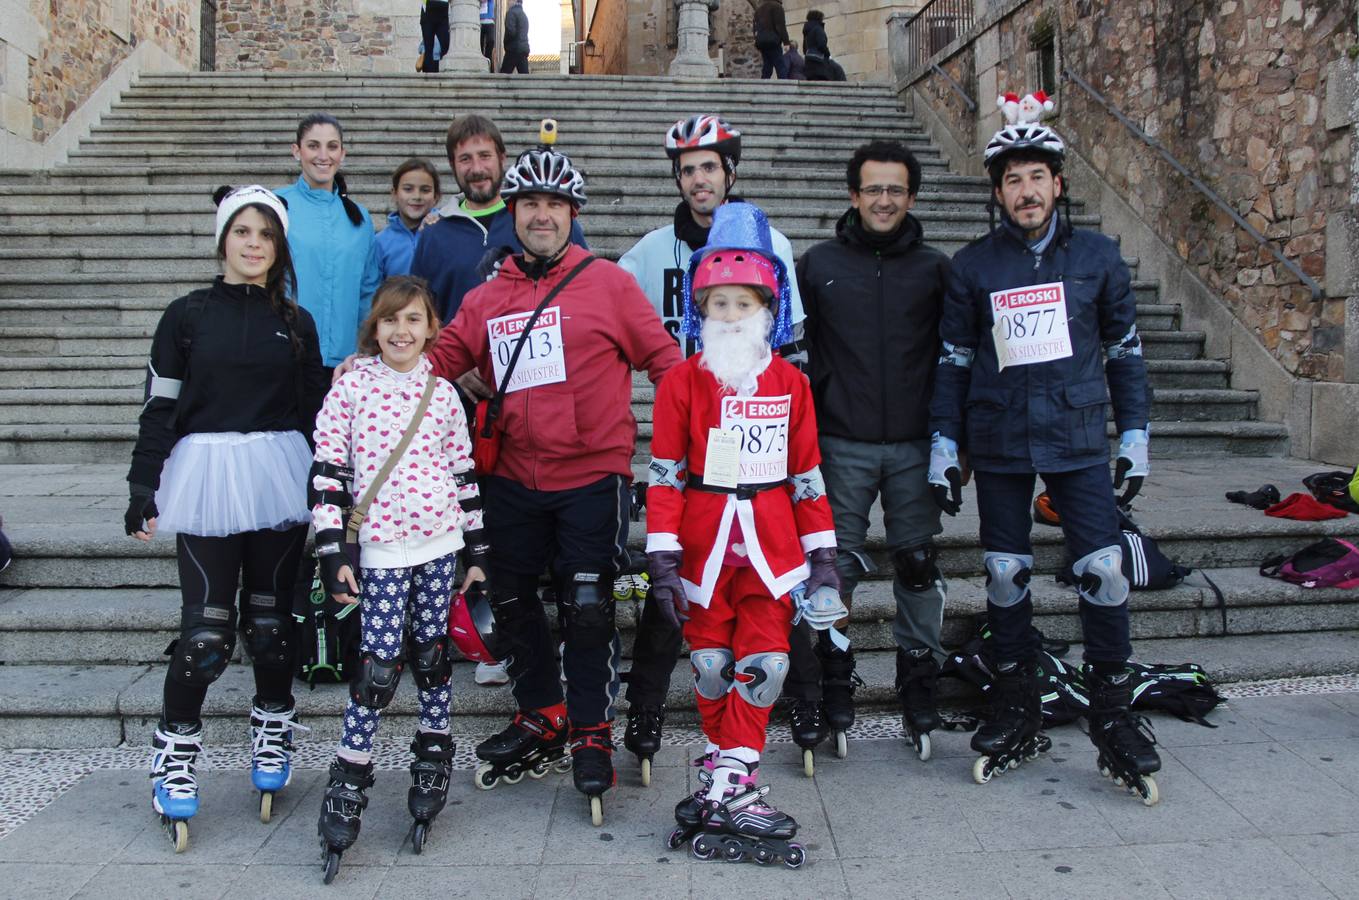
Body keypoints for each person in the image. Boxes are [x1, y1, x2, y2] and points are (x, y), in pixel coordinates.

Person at [426, 143, 682, 825]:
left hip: (590, 475)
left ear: (573, 214)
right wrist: (365, 384)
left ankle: (593, 729)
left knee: (588, 603)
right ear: (513, 214)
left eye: (555, 205)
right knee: (509, 601)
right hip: (510, 475)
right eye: (530, 205)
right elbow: (431, 361)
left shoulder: (609, 285)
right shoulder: (486, 298)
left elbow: (666, 364)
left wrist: (690, 448)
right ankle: (544, 711)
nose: (542, 216)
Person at [929, 111, 1161, 803]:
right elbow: (952, 359)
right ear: (996, 193)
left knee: (1104, 570)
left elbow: (1124, 351)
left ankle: (1113, 717)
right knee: (1004, 572)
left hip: (1076, 434)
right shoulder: (972, 266)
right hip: (999, 435)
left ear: (1057, 184)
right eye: (1011, 180)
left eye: (1035, 177)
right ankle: (1016, 702)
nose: (1024, 190)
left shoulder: (1097, 258)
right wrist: (944, 439)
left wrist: (1136, 434)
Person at [125, 185, 329, 852]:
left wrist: (331, 490)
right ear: (223, 240)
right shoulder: (185, 317)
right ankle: (176, 754)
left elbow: (313, 413)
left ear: (278, 247)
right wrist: (142, 486)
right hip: (207, 475)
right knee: (205, 637)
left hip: (277, 473)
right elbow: (159, 407)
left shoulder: (296, 322)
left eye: (264, 234)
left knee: (270, 630)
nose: (252, 243)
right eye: (241, 231)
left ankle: (272, 726)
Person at [616, 113, 806, 775]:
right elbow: (605, 315)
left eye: (709, 167)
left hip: (756, 439)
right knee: (673, 609)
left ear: (729, 172)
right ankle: (642, 717)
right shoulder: (645, 252)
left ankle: (795, 712)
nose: (699, 179)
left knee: (774, 599)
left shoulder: (770, 243)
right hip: (688, 433)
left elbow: (793, 345)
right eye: (688, 169)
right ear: (678, 178)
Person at [646, 202, 835, 868]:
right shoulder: (679, 382)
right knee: (709, 665)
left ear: (766, 307)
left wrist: (825, 557)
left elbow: (807, 475)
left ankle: (732, 776)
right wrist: (662, 552)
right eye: (717, 303)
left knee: (765, 667)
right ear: (701, 309)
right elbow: (665, 475)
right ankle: (727, 779)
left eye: (741, 303)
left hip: (772, 546)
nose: (728, 314)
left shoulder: (791, 383)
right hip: (701, 543)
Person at [311, 277, 488, 878]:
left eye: (413, 319)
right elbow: (329, 473)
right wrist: (333, 550)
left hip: (439, 545)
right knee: (379, 666)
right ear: (375, 327)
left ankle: (434, 751)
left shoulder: (442, 394)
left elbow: (463, 472)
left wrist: (477, 553)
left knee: (433, 656)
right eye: (390, 320)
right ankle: (351, 770)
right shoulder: (350, 389)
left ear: (431, 327)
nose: (401, 331)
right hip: (381, 550)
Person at [791, 140, 952, 766]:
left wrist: (951, 440)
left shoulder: (937, 269)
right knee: (835, 570)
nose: (884, 200)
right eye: (872, 189)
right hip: (842, 440)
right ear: (853, 195)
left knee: (916, 563)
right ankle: (834, 678)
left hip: (914, 442)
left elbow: (957, 356)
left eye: (896, 189)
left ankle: (918, 676)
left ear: (911, 197)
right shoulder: (819, 264)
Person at [411, 114, 587, 326]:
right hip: (461, 355)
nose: (477, 169)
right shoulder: (433, 234)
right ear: (452, 164)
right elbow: (418, 312)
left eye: (485, 156)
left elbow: (586, 289)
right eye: (465, 159)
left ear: (502, 158)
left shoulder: (545, 223)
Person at [278, 113, 382, 368]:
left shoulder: (360, 218)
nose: (323, 156)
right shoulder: (276, 206)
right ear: (297, 151)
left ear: (342, 154)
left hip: (342, 361)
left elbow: (368, 290)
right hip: (285, 354)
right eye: (313, 145)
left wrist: (365, 348)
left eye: (332, 146)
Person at [376, 158, 441, 279]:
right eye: (408, 189)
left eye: (425, 190)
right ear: (394, 194)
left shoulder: (445, 230)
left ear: (436, 197)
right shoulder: (380, 243)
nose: (417, 196)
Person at [802, 10, 846, 82]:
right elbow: (822, 45)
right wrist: (828, 54)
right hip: (819, 61)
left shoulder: (807, 31)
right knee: (838, 70)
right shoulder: (818, 28)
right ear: (819, 18)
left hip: (809, 60)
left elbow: (804, 49)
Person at [753, 0, 791, 79]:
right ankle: (785, 87)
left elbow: (755, 28)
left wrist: (756, 39)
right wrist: (786, 42)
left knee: (767, 66)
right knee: (780, 65)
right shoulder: (777, 7)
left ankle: (763, 86)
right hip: (773, 41)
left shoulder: (759, 10)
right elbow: (780, 26)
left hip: (762, 42)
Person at [420, 0, 450, 73]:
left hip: (444, 8)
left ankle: (444, 74)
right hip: (428, 8)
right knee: (428, 48)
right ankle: (428, 79)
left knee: (445, 45)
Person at [500, 0, 530, 73]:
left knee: (502, 77)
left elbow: (510, 32)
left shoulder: (511, 13)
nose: (508, 2)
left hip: (513, 49)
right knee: (525, 78)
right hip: (523, 49)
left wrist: (506, 44)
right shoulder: (524, 15)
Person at [479, 0, 496, 68]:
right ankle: (481, 59)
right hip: (480, 22)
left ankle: (487, 58)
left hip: (489, 21)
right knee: (480, 43)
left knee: (491, 41)